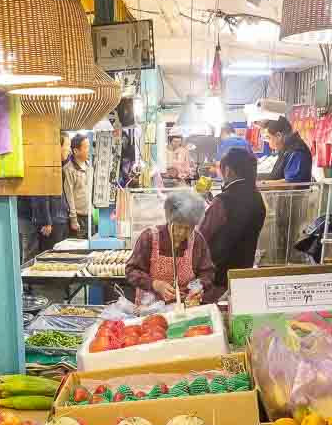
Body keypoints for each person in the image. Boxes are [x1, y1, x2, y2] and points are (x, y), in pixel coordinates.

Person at [199, 147, 266, 298]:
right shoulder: (258, 198)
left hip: (217, 279)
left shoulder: (223, 201)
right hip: (242, 276)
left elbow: (201, 236)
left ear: (228, 170)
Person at [126, 191, 214, 304]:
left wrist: (197, 287)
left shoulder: (197, 240)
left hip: (185, 306)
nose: (182, 233)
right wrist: (154, 284)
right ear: (169, 219)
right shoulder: (149, 237)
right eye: (178, 226)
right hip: (150, 308)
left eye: (188, 228)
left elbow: (207, 273)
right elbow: (131, 270)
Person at [260, 116, 313, 185]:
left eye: (269, 138)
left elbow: (290, 183)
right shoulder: (286, 149)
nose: (268, 142)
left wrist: (263, 184)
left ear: (278, 136)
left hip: (294, 195)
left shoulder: (297, 151)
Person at [63, 133, 93, 237]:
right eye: (86, 147)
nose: (89, 150)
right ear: (76, 151)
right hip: (78, 218)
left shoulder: (90, 165)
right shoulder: (68, 170)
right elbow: (69, 196)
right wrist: (73, 219)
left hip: (90, 215)